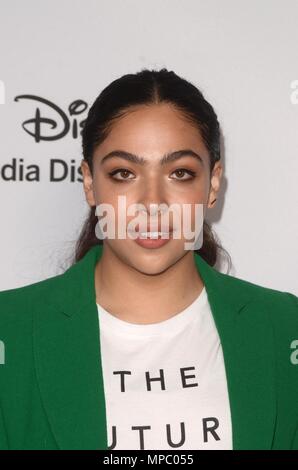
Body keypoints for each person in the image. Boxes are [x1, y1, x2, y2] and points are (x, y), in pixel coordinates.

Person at [0, 68, 297, 450]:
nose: (152, 203)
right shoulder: (10, 331)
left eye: (180, 173)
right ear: (90, 183)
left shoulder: (285, 329)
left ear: (213, 184)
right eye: (124, 173)